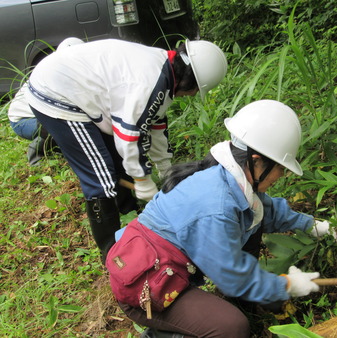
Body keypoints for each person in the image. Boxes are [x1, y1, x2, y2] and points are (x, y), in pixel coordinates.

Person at [109, 100, 335, 338]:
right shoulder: (217, 207)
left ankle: (239, 301)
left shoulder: (230, 178)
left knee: (254, 223)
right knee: (230, 327)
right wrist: (285, 286)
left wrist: (310, 225)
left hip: (170, 267)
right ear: (256, 160)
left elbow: (265, 210)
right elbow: (231, 273)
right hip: (147, 285)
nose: (282, 175)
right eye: (281, 168)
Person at [25, 38, 228, 261]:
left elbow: (155, 125)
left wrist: (165, 168)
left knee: (114, 159)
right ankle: (113, 254)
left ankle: (130, 214)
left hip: (78, 88)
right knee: (100, 178)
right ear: (192, 83)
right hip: (56, 93)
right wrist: (142, 181)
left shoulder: (166, 69)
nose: (190, 96)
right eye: (194, 92)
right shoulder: (147, 83)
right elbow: (129, 137)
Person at [8, 37, 85, 165]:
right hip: (22, 120)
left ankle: (58, 147)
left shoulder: (68, 71)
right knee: (65, 125)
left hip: (41, 114)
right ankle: (36, 151)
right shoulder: (55, 73)